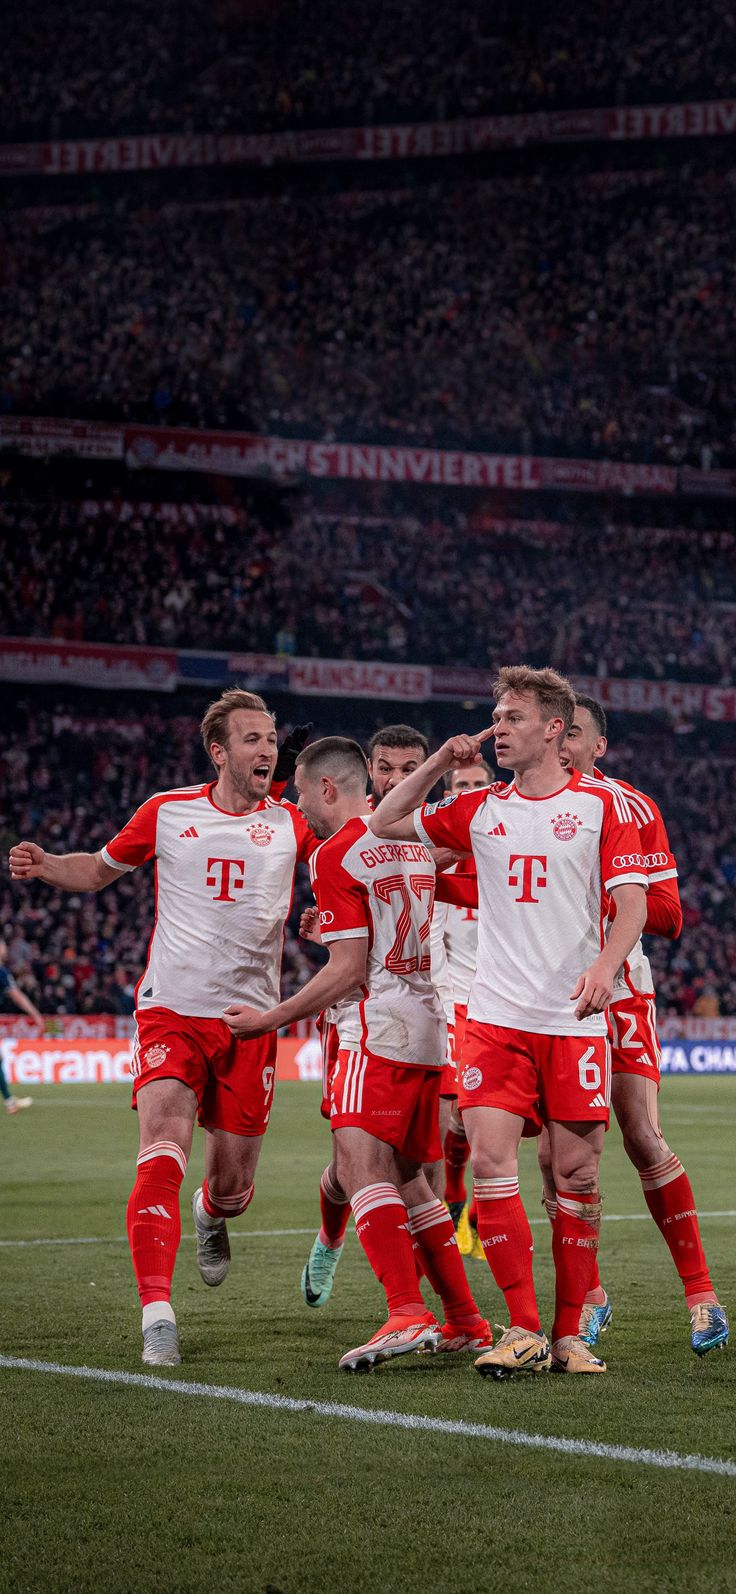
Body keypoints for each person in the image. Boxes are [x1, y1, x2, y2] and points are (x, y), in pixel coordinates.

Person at [9, 689, 315, 1367]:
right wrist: (45, 864)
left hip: (251, 1023)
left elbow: (345, 869)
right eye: (252, 739)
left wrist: (326, 921)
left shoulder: (294, 823)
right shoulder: (167, 812)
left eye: (271, 738)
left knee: (232, 1190)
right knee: (161, 1149)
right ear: (219, 750)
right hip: (171, 1011)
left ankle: (211, 1215)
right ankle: (157, 1314)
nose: (266, 749)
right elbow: (96, 868)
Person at [368, 664, 651, 1377]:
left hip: (575, 1018)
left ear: (555, 730)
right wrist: (439, 759)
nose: (498, 730)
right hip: (496, 1018)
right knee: (492, 1162)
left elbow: (636, 902)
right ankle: (522, 1328)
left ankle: (568, 1336)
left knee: (578, 1178)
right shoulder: (480, 808)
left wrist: (606, 966)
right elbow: (385, 818)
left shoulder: (601, 807)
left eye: (513, 719)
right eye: (496, 718)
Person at [224, 736, 490, 1370]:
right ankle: (464, 1318)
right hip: (429, 1023)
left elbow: (347, 971)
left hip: (376, 1026)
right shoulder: (416, 842)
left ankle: (407, 1312)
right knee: (407, 1179)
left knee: (357, 1166)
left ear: (325, 788)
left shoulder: (337, 852)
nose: (304, 816)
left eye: (304, 799)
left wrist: (270, 1020)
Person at [536, 695, 728, 1358]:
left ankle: (702, 1298)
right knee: (550, 1156)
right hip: (546, 995)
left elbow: (669, 913)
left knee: (642, 1135)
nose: (563, 747)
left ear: (598, 746)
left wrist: (621, 898)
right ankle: (588, 1300)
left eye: (575, 735)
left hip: (618, 989)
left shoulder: (631, 807)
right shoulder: (523, 803)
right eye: (556, 734)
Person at [299, 723, 435, 1311]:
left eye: (410, 770)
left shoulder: (439, 837)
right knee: (361, 1168)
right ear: (368, 772)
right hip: (375, 1018)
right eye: (386, 768)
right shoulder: (358, 842)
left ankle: (419, 1310)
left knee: (394, 1171)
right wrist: (328, 932)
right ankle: (335, 1238)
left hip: (414, 1017)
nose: (396, 780)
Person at [0, 938, 41, 1114]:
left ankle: (9, 1100)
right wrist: (36, 1015)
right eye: (1, 945)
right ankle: (9, 1101)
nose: (4, 948)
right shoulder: (1, 972)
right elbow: (17, 996)